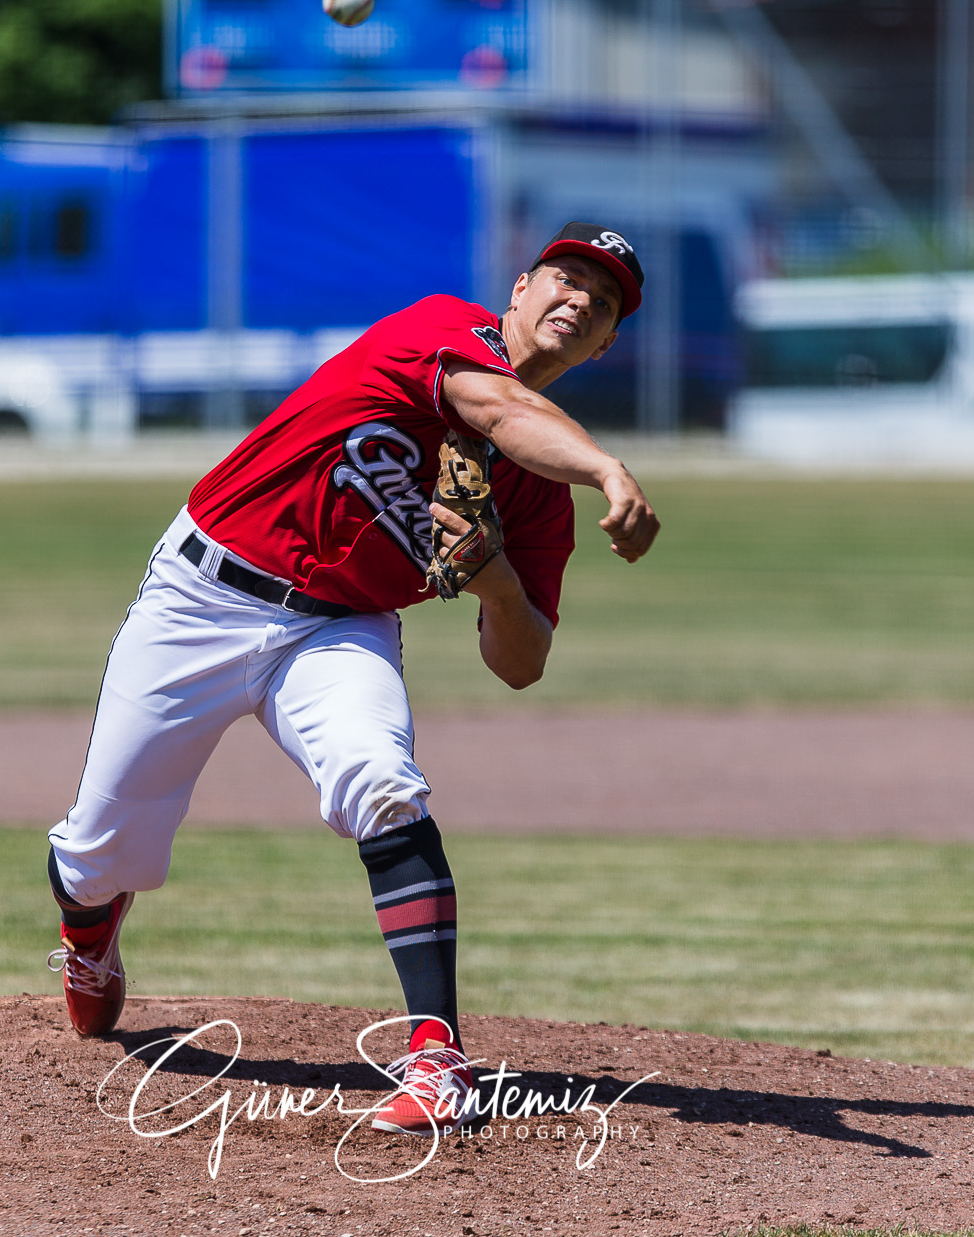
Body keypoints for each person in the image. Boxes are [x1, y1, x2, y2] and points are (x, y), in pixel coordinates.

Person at [44, 222, 662, 1135]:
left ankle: (437, 1057)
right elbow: (494, 409)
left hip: (339, 628)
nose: (580, 301)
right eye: (568, 279)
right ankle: (89, 928)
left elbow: (520, 663)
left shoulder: (539, 494)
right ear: (521, 287)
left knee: (384, 785)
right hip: (203, 597)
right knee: (100, 850)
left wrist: (495, 579)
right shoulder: (441, 330)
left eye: (603, 302)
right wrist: (610, 466)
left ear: (607, 343)